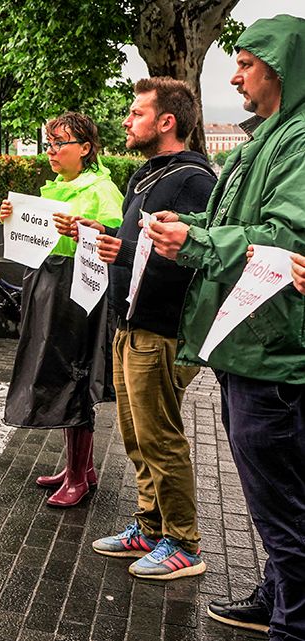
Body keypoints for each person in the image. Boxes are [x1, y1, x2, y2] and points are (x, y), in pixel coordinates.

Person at [145, 15, 305, 638]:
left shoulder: (294, 141)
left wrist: (195, 241)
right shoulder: (267, 138)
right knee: (271, 498)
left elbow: (284, 241)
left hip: (273, 348)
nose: (234, 74)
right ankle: (277, 596)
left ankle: (294, 620)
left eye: (245, 61)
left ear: (280, 68)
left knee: (281, 500)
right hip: (252, 345)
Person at [68, 78, 215, 580]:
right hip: (130, 323)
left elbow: (194, 259)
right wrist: (99, 236)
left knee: (160, 436)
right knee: (136, 434)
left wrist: (123, 251)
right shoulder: (148, 177)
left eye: (136, 113)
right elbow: (135, 246)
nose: (127, 121)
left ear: (166, 122)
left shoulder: (194, 179)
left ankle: (184, 543)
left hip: (162, 329)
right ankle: (150, 528)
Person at [0, 112, 123, 508]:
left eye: (60, 144)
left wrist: (89, 229)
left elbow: (113, 238)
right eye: (49, 143)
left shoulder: (102, 189)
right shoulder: (52, 189)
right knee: (56, 370)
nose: (51, 151)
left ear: (85, 148)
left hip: (77, 290)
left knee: (77, 373)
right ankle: (78, 467)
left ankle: (79, 475)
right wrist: (10, 218)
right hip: (48, 284)